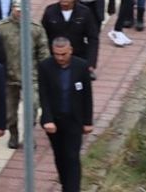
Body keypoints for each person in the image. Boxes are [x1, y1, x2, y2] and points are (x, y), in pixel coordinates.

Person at [38, 38, 94, 192]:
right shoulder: (45, 67)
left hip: (74, 120)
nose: (60, 58)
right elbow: (44, 95)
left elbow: (87, 95)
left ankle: (72, 188)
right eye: (57, 54)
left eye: (63, 54)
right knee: (60, 155)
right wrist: (48, 119)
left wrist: (88, 120)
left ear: (70, 50)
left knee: (72, 156)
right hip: (55, 121)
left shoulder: (81, 66)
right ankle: (65, 182)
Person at [0, 0, 48, 147]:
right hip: (9, 76)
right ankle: (13, 134)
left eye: (22, 10)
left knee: (33, 107)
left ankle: (29, 136)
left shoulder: (35, 28)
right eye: (17, 10)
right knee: (10, 112)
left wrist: (44, 72)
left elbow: (43, 52)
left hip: (31, 76)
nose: (19, 14)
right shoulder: (1, 27)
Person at [41, 0, 100, 74]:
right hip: (55, 58)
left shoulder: (84, 12)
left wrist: (91, 63)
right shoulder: (50, 11)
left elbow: (92, 38)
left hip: (78, 56)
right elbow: (43, 36)